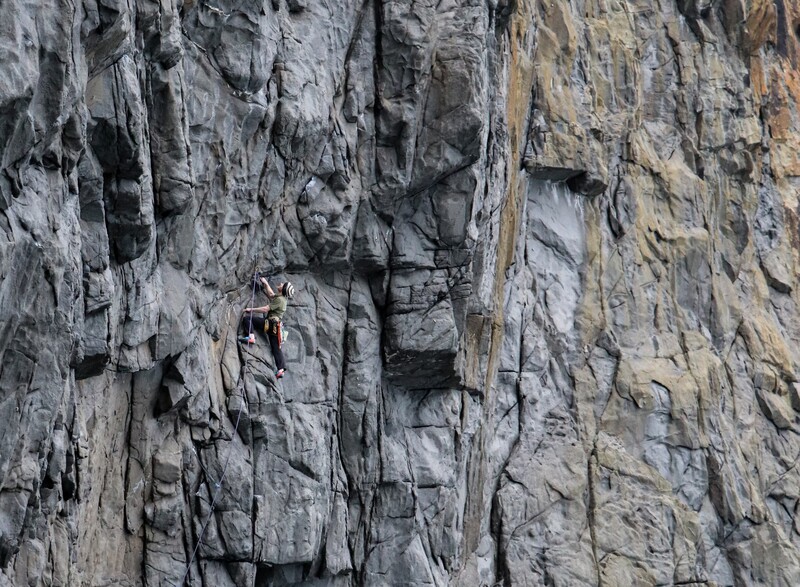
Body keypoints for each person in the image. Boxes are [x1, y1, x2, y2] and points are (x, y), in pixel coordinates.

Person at [240, 276, 295, 378]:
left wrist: (250, 309)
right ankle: (281, 369)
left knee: (248, 319)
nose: (281, 283)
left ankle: (251, 336)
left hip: (270, 324)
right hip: (275, 328)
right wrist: (265, 283)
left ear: (283, 289)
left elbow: (265, 309)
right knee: (275, 348)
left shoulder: (280, 300)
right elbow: (271, 295)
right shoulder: (281, 299)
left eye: (283, 284)